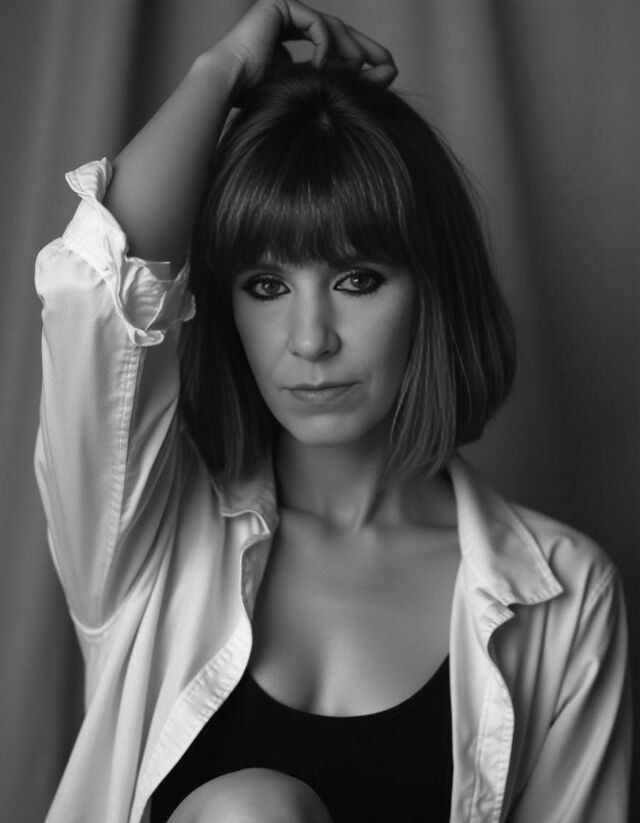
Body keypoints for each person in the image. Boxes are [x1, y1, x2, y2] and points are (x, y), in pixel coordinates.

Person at [34, 1, 631, 821]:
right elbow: (100, 291)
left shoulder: (566, 594)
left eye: (357, 279)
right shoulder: (145, 533)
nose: (311, 339)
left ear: (432, 292)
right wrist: (221, 72)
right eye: (266, 285)